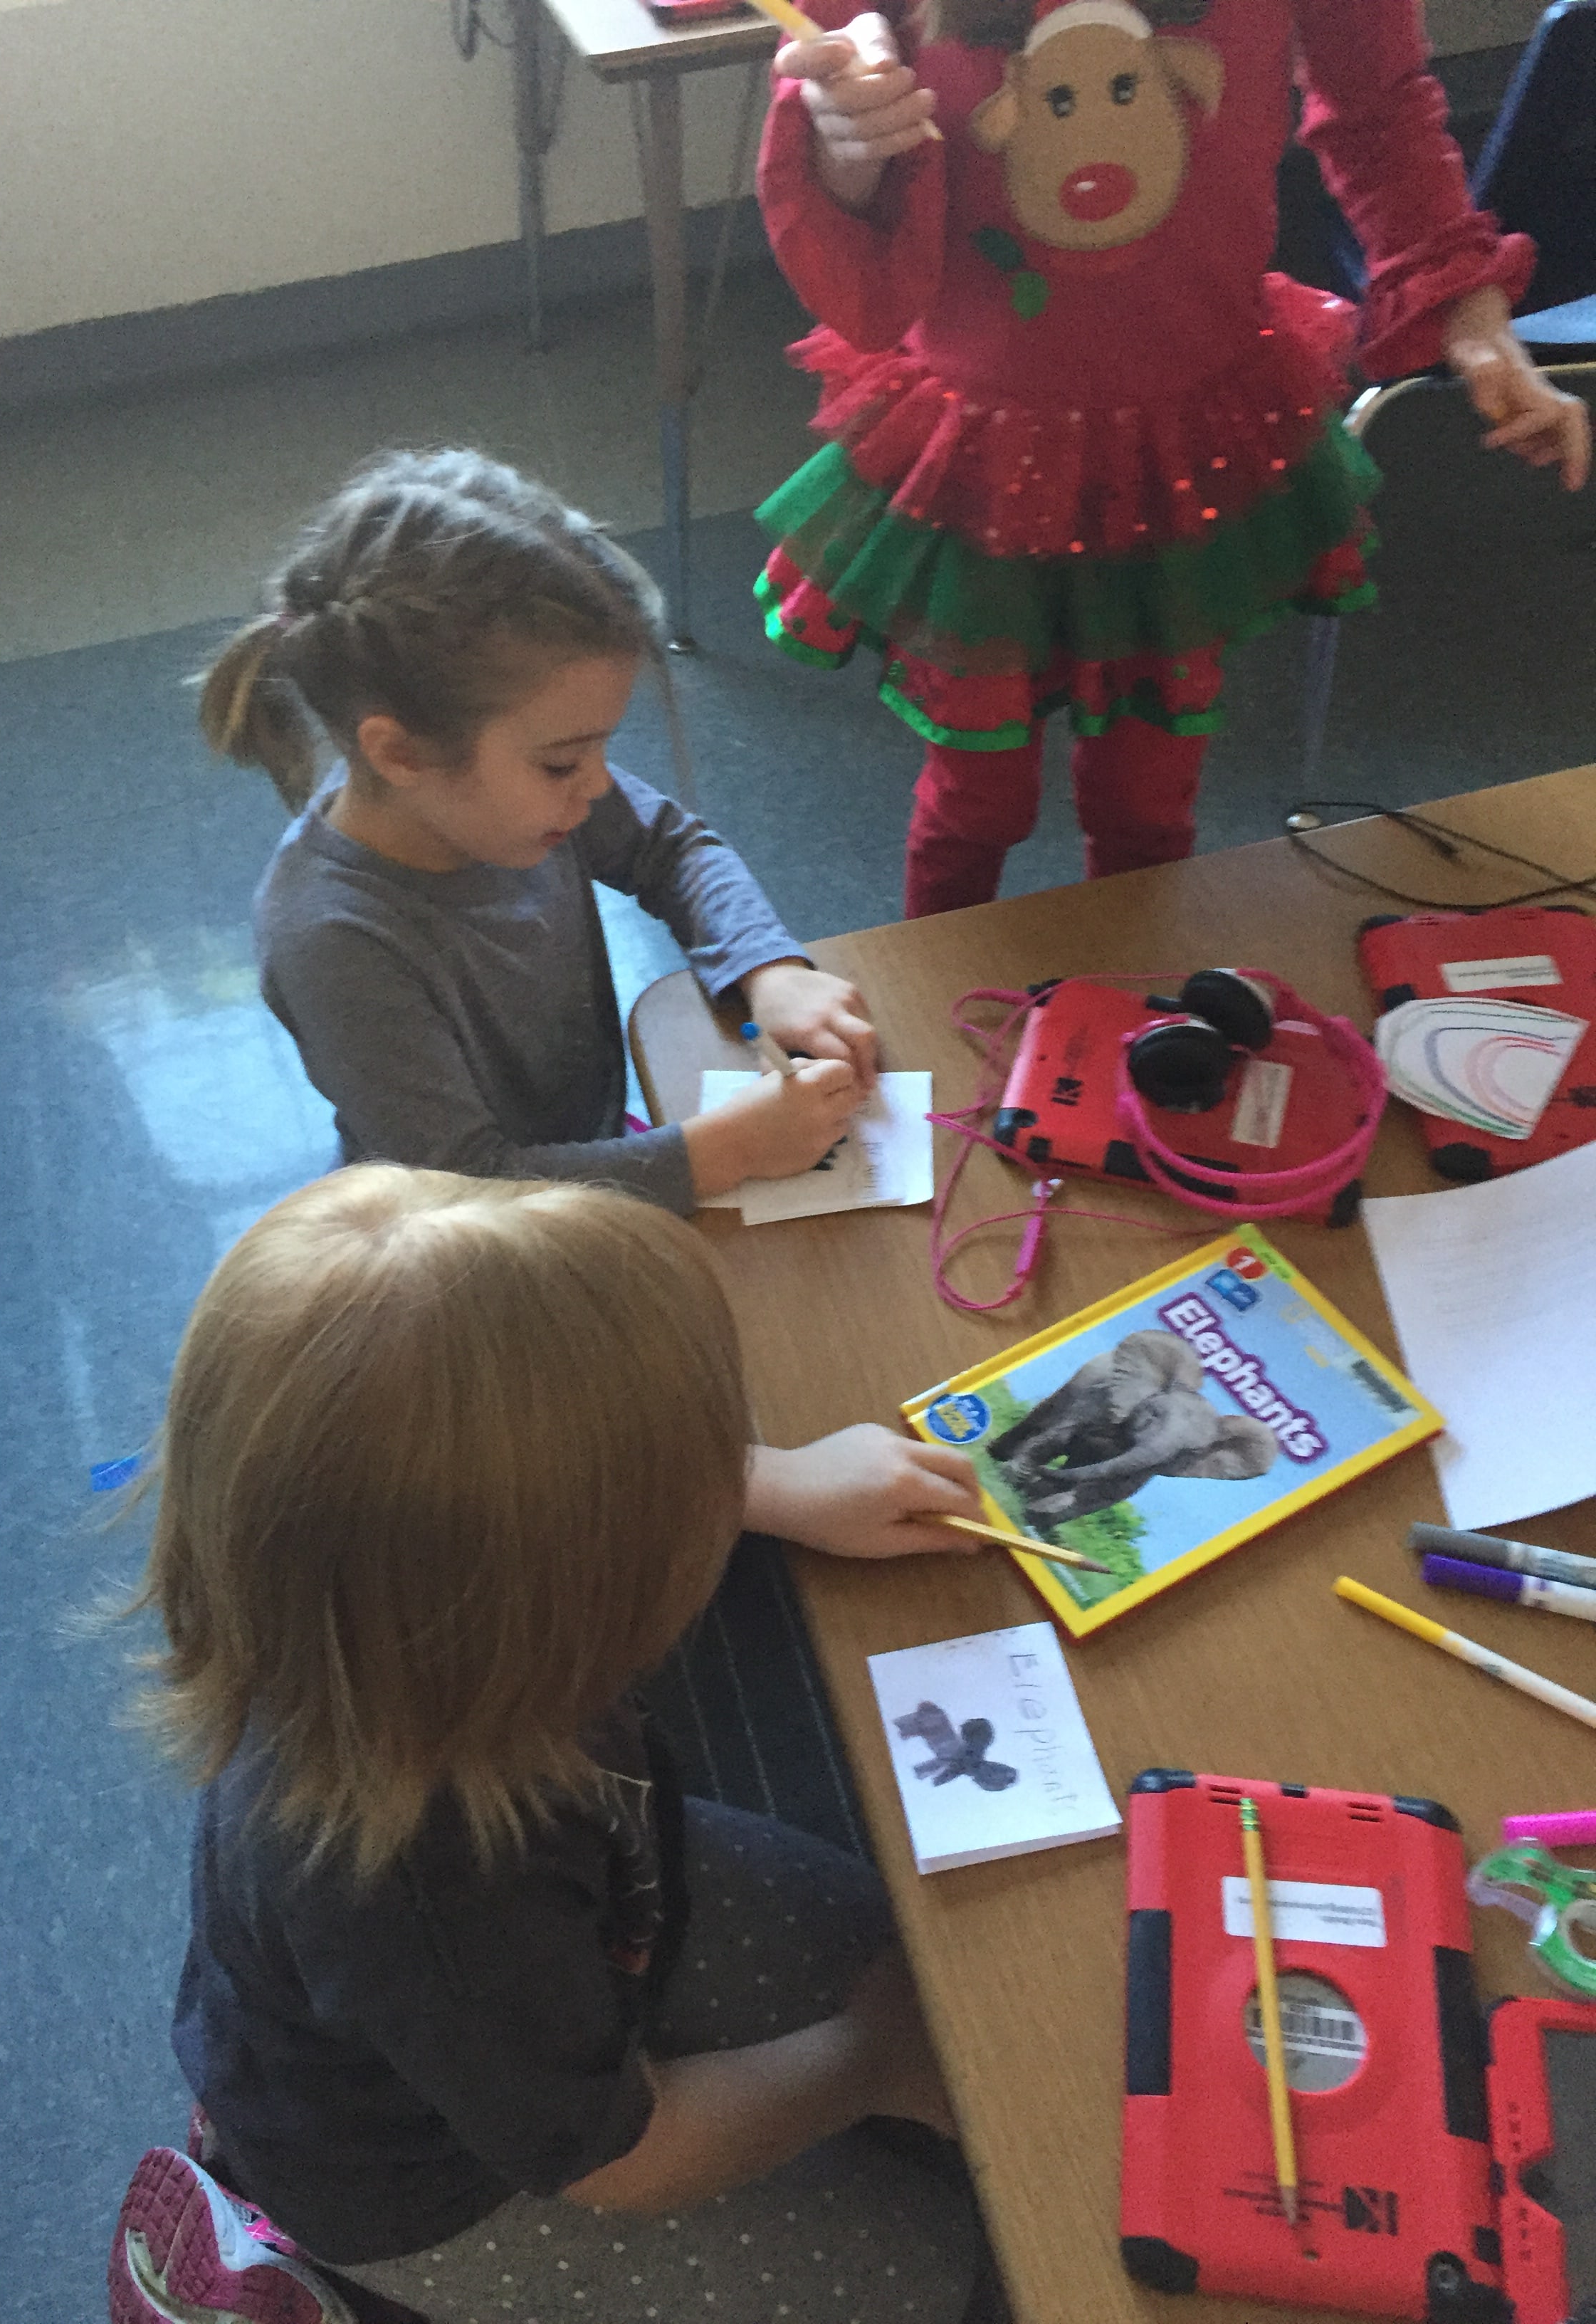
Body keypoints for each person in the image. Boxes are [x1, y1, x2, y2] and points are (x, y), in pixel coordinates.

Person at [108, 1167, 1000, 2324]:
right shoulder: (431, 1894)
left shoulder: (375, 1622)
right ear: (552, 1581)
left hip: (559, 1929)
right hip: (435, 2194)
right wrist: (864, 2058)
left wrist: (777, 1488)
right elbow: (615, 2164)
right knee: (921, 2272)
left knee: (887, 1945)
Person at [201, 446, 987, 1565]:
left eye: (601, 750)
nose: (597, 787)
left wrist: (770, 969)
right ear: (400, 752)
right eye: (566, 761)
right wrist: (723, 1152)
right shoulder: (334, 941)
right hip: (456, 1269)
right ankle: (751, 1495)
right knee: (551, 1459)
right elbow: (471, 1195)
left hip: (583, 1175)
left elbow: (670, 844)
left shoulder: (509, 794)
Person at [752, 0, 1592, 917]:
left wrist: (1470, 311)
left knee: (1146, 803)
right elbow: (836, 123)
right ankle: (938, 991)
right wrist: (845, 144)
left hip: (1186, 432)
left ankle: (1141, 994)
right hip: (982, 437)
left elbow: (1379, 108)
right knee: (976, 801)